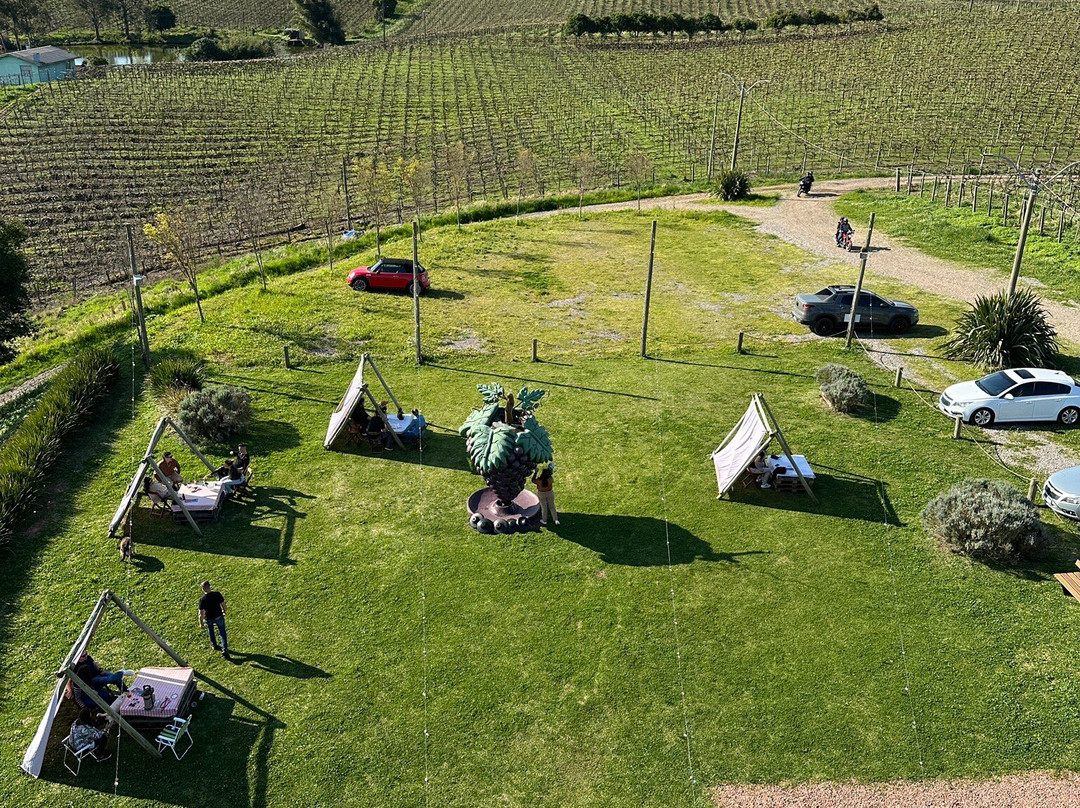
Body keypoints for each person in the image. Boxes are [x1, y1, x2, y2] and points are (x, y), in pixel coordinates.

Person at [198, 581, 229, 657]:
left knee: (210, 630)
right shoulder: (217, 594)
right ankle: (224, 648)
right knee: (222, 632)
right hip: (218, 616)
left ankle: (214, 644)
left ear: (203, 589)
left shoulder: (202, 600)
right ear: (210, 586)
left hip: (208, 618)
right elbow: (223, 604)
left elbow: (201, 613)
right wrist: (224, 611)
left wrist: (201, 623)